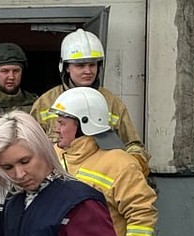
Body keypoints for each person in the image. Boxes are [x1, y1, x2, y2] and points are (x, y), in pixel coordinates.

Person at [49, 87, 157, 236]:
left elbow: (142, 214)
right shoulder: (52, 155)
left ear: (83, 125)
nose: (55, 129)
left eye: (61, 123)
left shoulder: (120, 164)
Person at [30, 29, 149, 173]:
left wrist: (131, 167)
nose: (88, 71)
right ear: (66, 67)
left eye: (92, 65)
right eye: (80, 65)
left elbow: (133, 145)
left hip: (101, 181)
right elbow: (29, 147)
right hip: (59, 179)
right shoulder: (45, 103)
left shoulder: (112, 103)